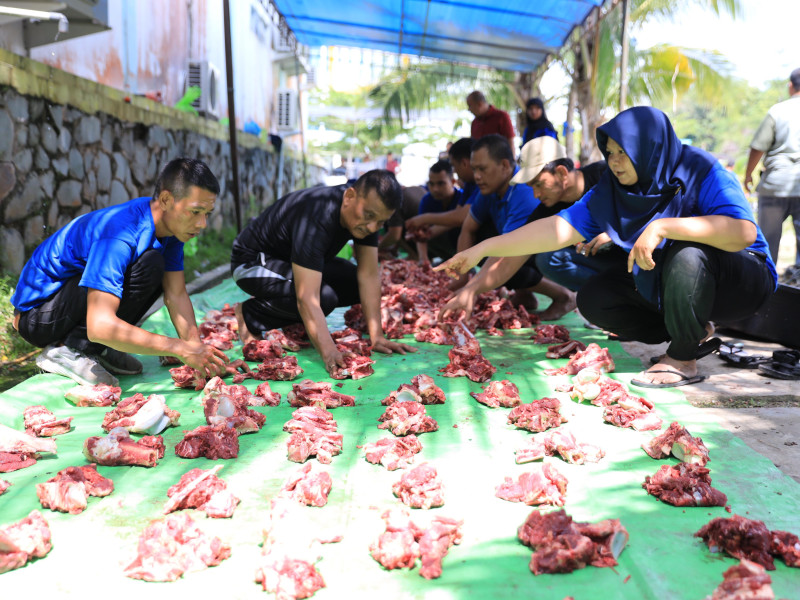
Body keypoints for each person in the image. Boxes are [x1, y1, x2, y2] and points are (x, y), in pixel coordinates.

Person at [436, 107, 777, 389]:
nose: (614, 162)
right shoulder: (613, 189)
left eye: (622, 152)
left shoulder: (699, 169)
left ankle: (683, 358)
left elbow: (744, 232)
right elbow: (557, 229)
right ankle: (691, 331)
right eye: (609, 152)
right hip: (677, 279)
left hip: (743, 278)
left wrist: (663, 226)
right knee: (595, 299)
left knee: (686, 252)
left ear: (647, 145)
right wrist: (482, 249)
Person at [11, 158, 229, 386]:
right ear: (165, 200)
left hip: (69, 306)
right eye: (195, 212)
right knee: (151, 262)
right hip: (38, 317)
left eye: (207, 213)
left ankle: (98, 348)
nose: (202, 224)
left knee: (154, 264)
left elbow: (176, 294)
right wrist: (178, 347)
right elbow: (100, 324)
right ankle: (66, 350)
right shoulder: (121, 233)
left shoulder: (171, 229)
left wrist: (199, 354)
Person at [230, 170, 415, 374]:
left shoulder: (367, 217)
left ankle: (290, 317)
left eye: (381, 223)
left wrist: (377, 336)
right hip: (251, 262)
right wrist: (329, 352)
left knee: (355, 285)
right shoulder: (318, 214)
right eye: (369, 216)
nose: (373, 227)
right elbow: (307, 298)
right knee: (323, 298)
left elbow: (369, 276)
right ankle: (252, 314)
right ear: (350, 197)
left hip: (292, 261)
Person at [439, 137, 618, 322]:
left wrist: (616, 233)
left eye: (539, 184)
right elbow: (508, 259)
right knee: (549, 259)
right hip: (610, 267)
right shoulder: (546, 210)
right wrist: (471, 289)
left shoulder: (607, 176)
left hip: (640, 258)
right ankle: (616, 302)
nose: (536, 194)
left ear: (562, 173)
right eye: (531, 186)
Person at [451, 134, 576, 318]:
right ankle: (524, 295)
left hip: (556, 256)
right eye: (474, 169)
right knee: (486, 244)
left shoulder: (524, 194)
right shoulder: (489, 190)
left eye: (482, 169)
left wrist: (471, 289)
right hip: (521, 248)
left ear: (504, 166)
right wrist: (464, 282)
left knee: (508, 257)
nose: (476, 176)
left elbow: (505, 254)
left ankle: (564, 296)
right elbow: (468, 229)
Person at [744, 67, 800, 277]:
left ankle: (764, 287)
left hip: (775, 185)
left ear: (790, 85)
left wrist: (748, 174)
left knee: (767, 243)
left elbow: (758, 146)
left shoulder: (778, 111)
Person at [405, 160, 468, 263]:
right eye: (431, 184)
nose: (435, 189)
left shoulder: (463, 197)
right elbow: (421, 231)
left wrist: (426, 219)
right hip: (439, 244)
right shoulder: (427, 200)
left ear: (452, 182)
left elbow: (461, 219)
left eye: (441, 183)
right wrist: (423, 258)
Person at [378, 184, 426, 259]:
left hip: (424, 235)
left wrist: (376, 249)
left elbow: (395, 235)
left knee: (392, 228)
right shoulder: (415, 189)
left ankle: (415, 257)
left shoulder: (394, 200)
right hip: (434, 232)